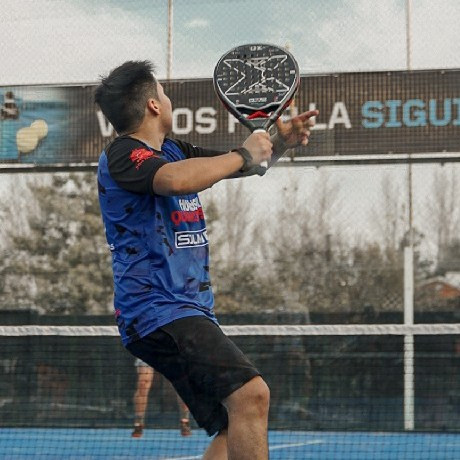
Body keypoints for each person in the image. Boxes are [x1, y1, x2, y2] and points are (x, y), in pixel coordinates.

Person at [95, 60, 317, 460]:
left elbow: (244, 166)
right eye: (163, 92)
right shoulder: (123, 154)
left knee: (234, 422)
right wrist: (242, 152)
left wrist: (279, 142)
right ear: (153, 105)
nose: (168, 98)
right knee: (252, 395)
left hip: (182, 311)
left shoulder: (174, 151)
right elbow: (176, 180)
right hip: (158, 310)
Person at [132, 357, 192, 438]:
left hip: (173, 352)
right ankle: (138, 424)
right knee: (143, 384)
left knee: (182, 384)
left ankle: (185, 421)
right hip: (150, 351)